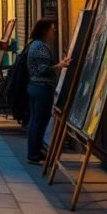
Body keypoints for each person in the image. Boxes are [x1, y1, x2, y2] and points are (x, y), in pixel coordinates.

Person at [25, 19, 70, 164]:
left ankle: (34, 152)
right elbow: (42, 69)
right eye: (53, 29)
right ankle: (34, 155)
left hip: (35, 87)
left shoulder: (35, 45)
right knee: (39, 121)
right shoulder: (40, 47)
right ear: (45, 31)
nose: (54, 32)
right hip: (41, 88)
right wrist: (59, 65)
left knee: (35, 121)